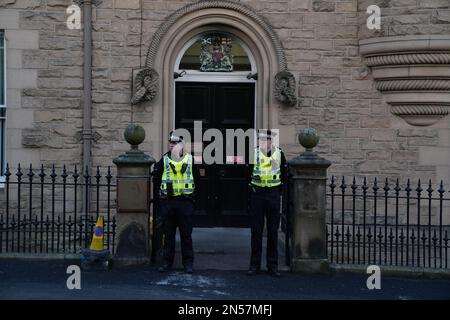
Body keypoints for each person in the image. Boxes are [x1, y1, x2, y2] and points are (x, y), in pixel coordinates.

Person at [153, 131, 199, 274]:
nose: (171, 145)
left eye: (175, 143)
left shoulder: (190, 160)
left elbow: (197, 180)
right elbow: (157, 179)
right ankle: (167, 263)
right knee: (169, 235)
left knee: (186, 235)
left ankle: (188, 264)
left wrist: (192, 201)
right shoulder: (164, 159)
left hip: (185, 203)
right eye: (170, 142)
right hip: (168, 203)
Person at [247, 130, 287, 277]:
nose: (263, 142)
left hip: (273, 196)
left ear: (271, 141)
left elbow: (284, 174)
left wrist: (278, 192)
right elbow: (248, 173)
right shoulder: (254, 154)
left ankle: (272, 266)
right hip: (257, 195)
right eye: (261, 140)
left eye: (265, 140)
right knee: (256, 232)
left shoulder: (279, 154)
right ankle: (254, 265)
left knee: (272, 232)